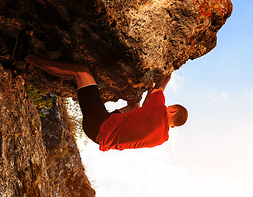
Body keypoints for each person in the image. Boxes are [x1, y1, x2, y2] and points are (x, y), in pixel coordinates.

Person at [12, 28, 188, 151]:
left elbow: (159, 87)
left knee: (81, 72)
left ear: (172, 109)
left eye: (168, 107)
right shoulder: (160, 139)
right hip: (101, 136)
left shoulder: (160, 113)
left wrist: (164, 80)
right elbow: (144, 110)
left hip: (100, 125)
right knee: (134, 105)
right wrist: (149, 93)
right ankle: (26, 56)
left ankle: (25, 55)